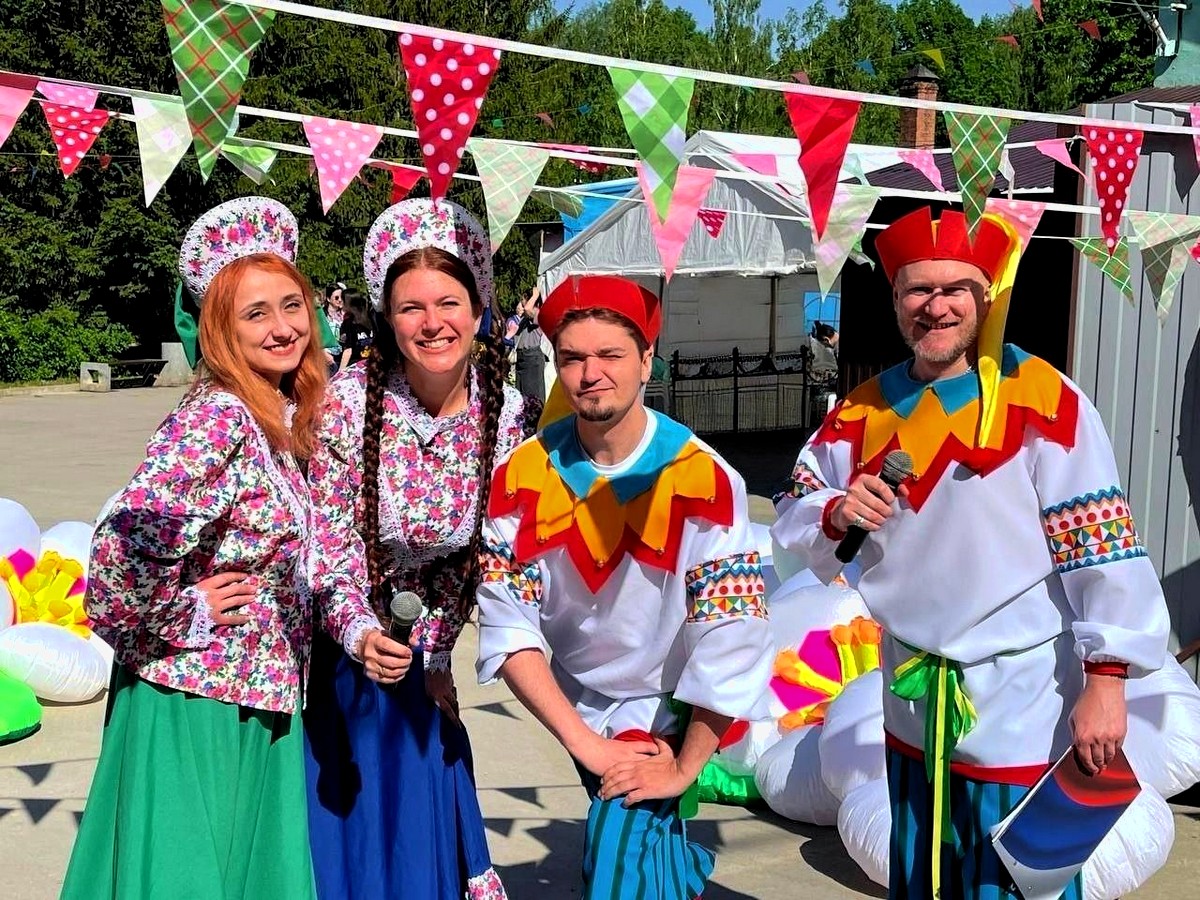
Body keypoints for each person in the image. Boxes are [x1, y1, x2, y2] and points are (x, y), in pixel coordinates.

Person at [770, 207, 1170, 900]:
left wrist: (1107, 679)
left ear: (985, 297)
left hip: (1023, 698)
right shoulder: (861, 411)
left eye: (954, 288)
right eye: (917, 290)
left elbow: (1100, 545)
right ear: (896, 300)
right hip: (910, 698)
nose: (937, 306)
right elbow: (795, 506)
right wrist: (834, 512)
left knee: (1016, 879)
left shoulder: (1045, 401)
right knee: (926, 870)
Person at [475, 275, 774, 899]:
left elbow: (733, 631)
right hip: (575, 701)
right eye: (572, 358)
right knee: (644, 858)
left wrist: (685, 766)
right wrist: (584, 742)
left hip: (667, 702)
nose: (591, 374)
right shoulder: (519, 476)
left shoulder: (704, 480)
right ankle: (682, 871)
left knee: (618, 861)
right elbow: (509, 625)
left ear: (645, 360)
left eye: (609, 354)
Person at [62, 197, 326, 899]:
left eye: (291, 305)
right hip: (194, 697)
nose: (282, 328)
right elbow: (122, 545)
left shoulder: (277, 412)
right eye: (255, 313)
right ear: (220, 330)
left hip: (256, 694)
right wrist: (183, 612)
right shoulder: (217, 416)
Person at [304, 198, 538, 899]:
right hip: (345, 659)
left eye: (448, 302)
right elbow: (329, 540)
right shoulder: (348, 402)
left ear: (479, 308)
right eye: (411, 308)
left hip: (427, 658)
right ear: (387, 317)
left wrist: (436, 657)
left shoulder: (509, 415)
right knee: (352, 843)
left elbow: (487, 558)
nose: (432, 323)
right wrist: (360, 634)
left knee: (420, 835)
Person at [512, 285, 547, 403]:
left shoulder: (537, 313)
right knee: (521, 397)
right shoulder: (524, 319)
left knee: (533, 397)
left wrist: (535, 294)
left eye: (522, 299)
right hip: (522, 357)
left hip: (532, 357)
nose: (521, 302)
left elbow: (527, 309)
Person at [337, 288, 372, 371]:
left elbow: (348, 350)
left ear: (348, 303)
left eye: (342, 299)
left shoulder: (372, 318)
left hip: (367, 364)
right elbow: (347, 348)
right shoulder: (348, 323)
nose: (340, 301)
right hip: (364, 364)